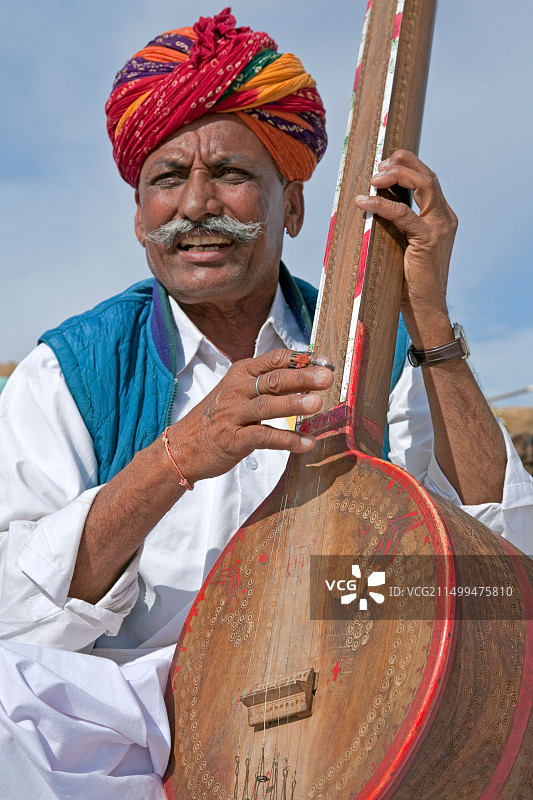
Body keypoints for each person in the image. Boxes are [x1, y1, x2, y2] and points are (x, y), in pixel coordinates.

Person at [0, 9, 532, 797]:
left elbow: (503, 563)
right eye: (168, 179)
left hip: (352, 696)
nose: (196, 204)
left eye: (233, 175)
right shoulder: (70, 370)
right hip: (139, 725)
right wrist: (179, 455)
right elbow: (14, 611)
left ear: (293, 207)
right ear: (139, 217)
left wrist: (427, 320)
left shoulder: (375, 347)